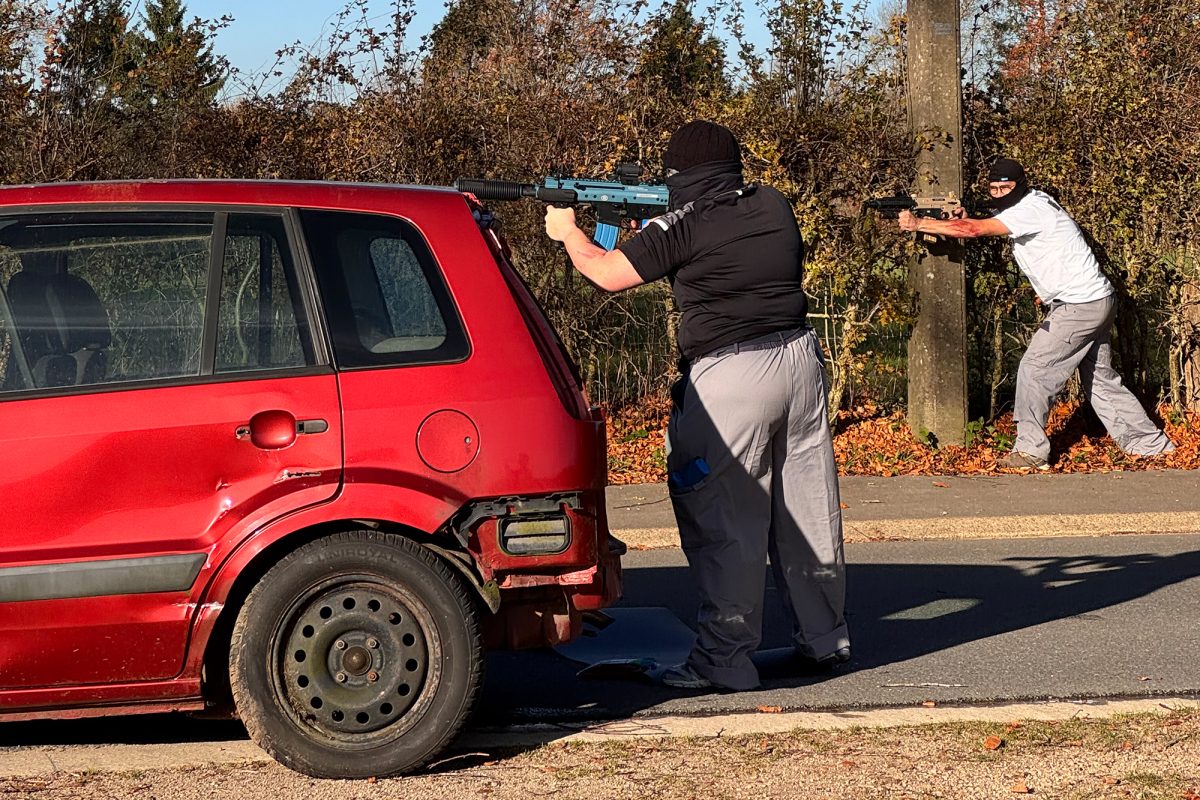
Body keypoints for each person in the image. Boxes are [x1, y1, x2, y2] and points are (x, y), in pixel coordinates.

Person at [544, 120, 849, 692]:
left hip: (731, 377)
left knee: (725, 522)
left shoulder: (680, 221)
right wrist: (653, 230)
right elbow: (713, 246)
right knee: (805, 511)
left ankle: (725, 662)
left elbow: (609, 274)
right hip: (801, 363)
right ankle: (825, 639)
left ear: (676, 176)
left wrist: (567, 232)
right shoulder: (772, 204)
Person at [898, 157, 1175, 469]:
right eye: (994, 188)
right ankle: (1150, 445)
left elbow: (973, 230)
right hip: (1096, 300)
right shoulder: (1035, 202)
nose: (999, 193)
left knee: (1034, 369)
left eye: (1006, 187)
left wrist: (918, 223)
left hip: (1080, 305)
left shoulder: (1031, 209)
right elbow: (990, 223)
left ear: (1020, 186)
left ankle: (1031, 451)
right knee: (1099, 378)